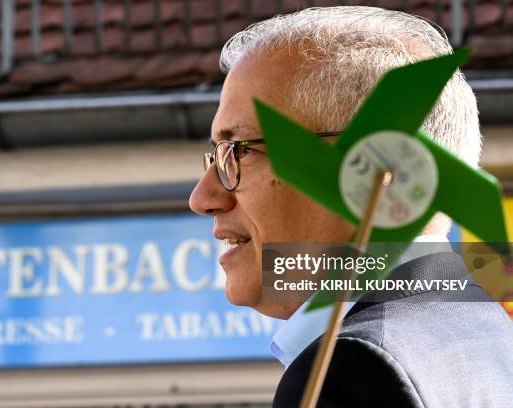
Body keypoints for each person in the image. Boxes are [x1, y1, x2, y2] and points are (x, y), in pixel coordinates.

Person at [189, 6, 512, 407]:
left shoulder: (354, 370)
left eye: (239, 151)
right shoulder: (491, 338)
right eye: (216, 157)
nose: (203, 198)